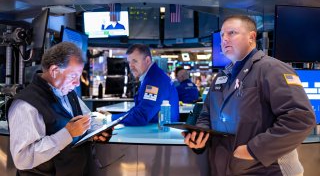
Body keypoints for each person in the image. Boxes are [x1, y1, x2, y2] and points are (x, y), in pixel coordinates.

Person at [183, 15, 316, 176]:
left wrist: (253, 150)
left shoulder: (272, 69)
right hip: (226, 168)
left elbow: (300, 119)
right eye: (222, 35)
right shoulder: (222, 76)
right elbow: (206, 113)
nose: (224, 39)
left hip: (267, 170)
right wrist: (200, 136)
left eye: (232, 33)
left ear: (252, 37)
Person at [8, 42, 111, 175]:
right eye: (73, 76)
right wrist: (67, 134)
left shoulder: (68, 93)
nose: (77, 83)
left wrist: (97, 131)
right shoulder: (25, 105)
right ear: (54, 71)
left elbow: (85, 120)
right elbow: (22, 159)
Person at [106, 44, 179, 126]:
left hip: (159, 134)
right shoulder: (152, 76)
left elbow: (141, 116)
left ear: (147, 60)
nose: (131, 66)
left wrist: (109, 118)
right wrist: (112, 116)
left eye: (135, 61)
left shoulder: (154, 80)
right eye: (129, 62)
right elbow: (139, 109)